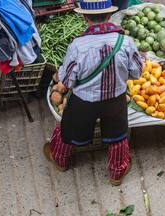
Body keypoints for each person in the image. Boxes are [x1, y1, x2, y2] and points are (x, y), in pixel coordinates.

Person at [43, 0, 143, 186]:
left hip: (84, 100)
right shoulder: (126, 42)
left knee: (68, 129)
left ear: (84, 17)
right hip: (115, 100)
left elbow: (68, 79)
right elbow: (137, 72)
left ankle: (60, 160)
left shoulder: (78, 45)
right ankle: (117, 173)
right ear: (108, 15)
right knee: (118, 135)